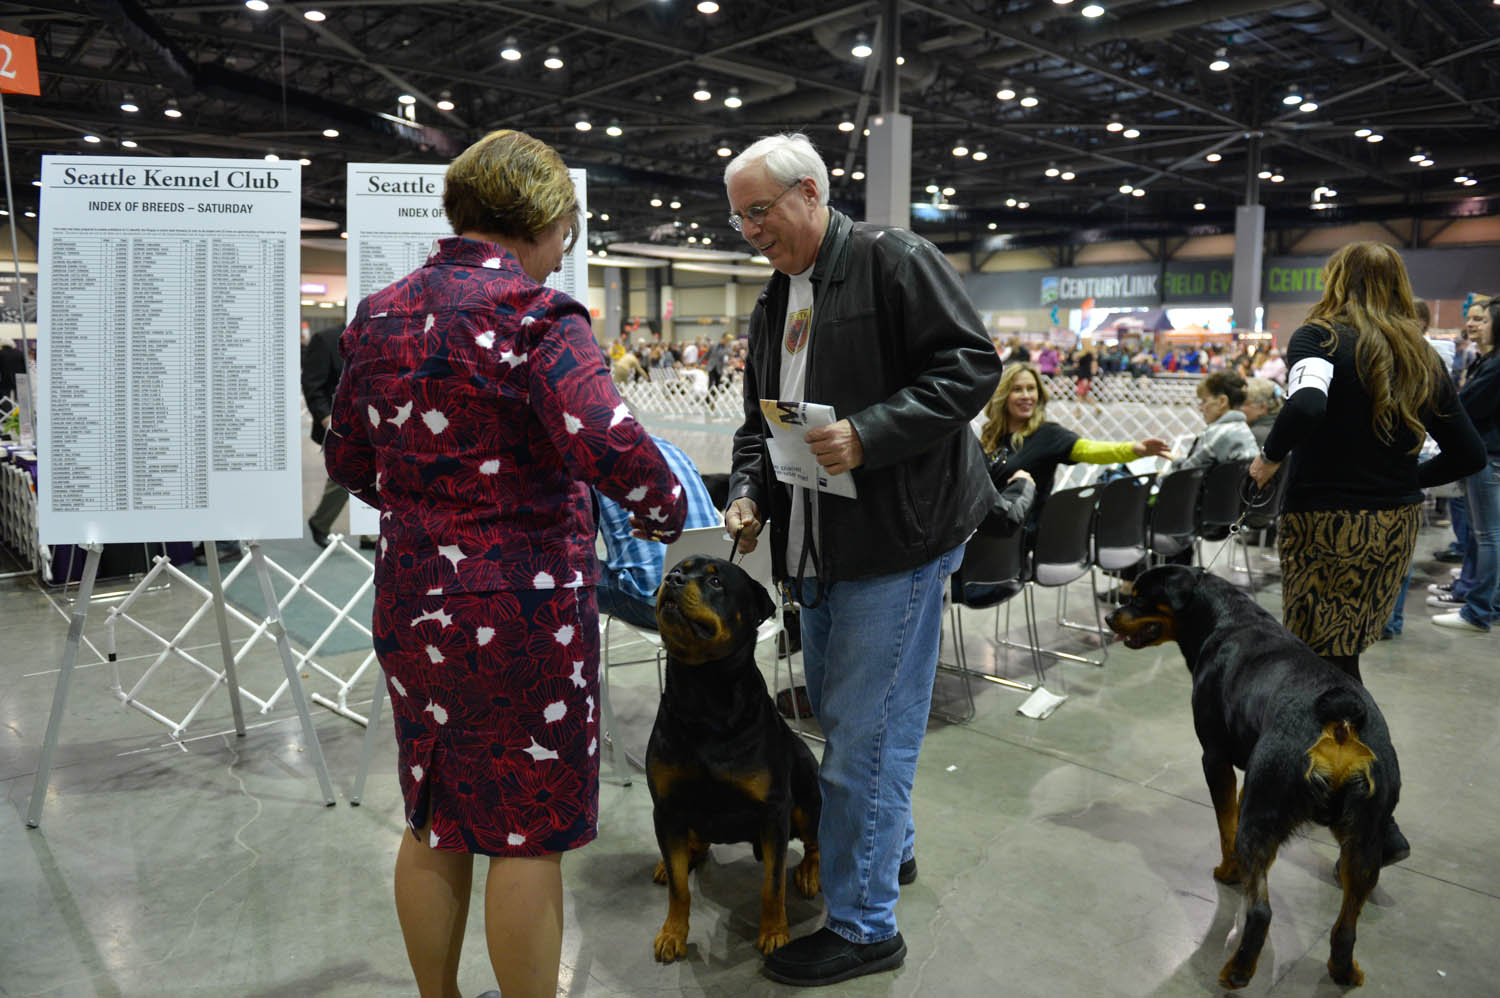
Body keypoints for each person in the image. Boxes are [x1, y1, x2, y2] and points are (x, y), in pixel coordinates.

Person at [324, 128, 687, 998]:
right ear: (546, 219)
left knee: (435, 814)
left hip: (413, 600)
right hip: (525, 615)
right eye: (567, 233)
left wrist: (428, 508)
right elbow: (609, 443)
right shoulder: (538, 316)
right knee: (527, 834)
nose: (564, 253)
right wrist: (670, 510)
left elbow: (346, 459)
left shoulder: (376, 314)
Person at [720, 132, 1001, 986]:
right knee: (857, 725)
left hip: (896, 543)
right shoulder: (776, 299)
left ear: (810, 192)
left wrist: (870, 434)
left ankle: (865, 926)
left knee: (862, 740)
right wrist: (748, 493)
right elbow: (758, 425)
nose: (751, 231)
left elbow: (972, 367)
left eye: (759, 211)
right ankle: (889, 850)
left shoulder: (894, 260)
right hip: (820, 546)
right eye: (739, 220)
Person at [1248, 242, 1483, 683]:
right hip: (1395, 522)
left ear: (1336, 280)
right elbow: (1469, 453)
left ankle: (1329, 727)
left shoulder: (1319, 337)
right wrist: (1408, 479)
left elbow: (1306, 406)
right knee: (1346, 651)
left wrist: (1268, 458)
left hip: (1325, 521)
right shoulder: (1422, 355)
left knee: (1313, 655)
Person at [979, 361, 1169, 526]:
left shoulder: (1048, 435)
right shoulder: (991, 435)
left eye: (1031, 388)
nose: (1026, 396)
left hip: (1020, 533)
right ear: (1003, 395)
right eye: (1017, 389)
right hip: (986, 525)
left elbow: (1089, 449)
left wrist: (1134, 449)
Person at [595, 433, 720, 630]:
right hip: (713, 597)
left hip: (659, 604)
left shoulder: (590, 455)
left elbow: (577, 542)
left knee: (564, 571)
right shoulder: (674, 450)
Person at [1428, 295, 1500, 633]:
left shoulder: (1495, 365)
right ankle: (1484, 602)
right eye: (1471, 318)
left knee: (1487, 536)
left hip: (1489, 455)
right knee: (1486, 534)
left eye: (1482, 319)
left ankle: (1478, 611)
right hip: (1486, 454)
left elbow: (1466, 406)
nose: (1473, 324)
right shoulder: (1487, 361)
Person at [1172, 370, 1258, 473]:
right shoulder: (1243, 429)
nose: (1201, 408)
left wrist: (1174, 462)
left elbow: (1185, 473)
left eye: (1204, 401)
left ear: (1222, 401)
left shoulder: (1216, 434)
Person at [1240, 376, 1281, 449]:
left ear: (1262, 407)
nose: (1238, 408)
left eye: (1243, 404)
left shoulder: (1254, 435)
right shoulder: (1280, 426)